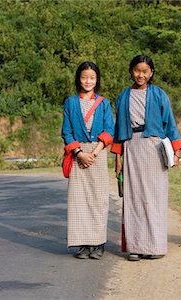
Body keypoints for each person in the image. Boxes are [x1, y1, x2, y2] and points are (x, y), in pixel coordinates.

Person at [111, 54, 181, 261]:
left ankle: (154, 246)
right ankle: (134, 246)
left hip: (153, 147)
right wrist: (118, 159)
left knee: (154, 197)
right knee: (133, 198)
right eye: (137, 70)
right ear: (131, 71)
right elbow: (118, 130)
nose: (140, 75)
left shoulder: (160, 95)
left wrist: (177, 151)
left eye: (145, 71)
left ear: (151, 73)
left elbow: (169, 123)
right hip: (131, 147)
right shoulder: (123, 96)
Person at [61, 61, 115, 259]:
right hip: (78, 154)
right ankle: (82, 244)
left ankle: (98, 243)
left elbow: (110, 130)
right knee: (79, 200)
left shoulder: (104, 103)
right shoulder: (70, 102)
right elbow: (66, 132)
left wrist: (95, 151)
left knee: (98, 199)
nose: (88, 81)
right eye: (84, 77)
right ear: (78, 78)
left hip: (97, 154)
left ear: (97, 79)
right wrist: (79, 153)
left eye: (92, 77)